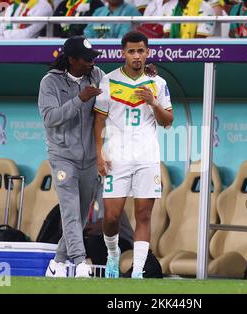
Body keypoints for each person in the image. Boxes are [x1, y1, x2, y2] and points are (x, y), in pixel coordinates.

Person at [94, 31, 173, 279]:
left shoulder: (158, 84)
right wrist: (98, 153)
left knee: (144, 215)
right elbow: (99, 120)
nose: (137, 56)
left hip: (147, 158)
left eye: (141, 51)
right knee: (111, 216)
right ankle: (113, 254)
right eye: (131, 51)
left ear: (147, 52)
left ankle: (138, 270)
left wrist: (154, 103)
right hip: (116, 157)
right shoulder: (108, 81)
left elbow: (168, 121)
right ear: (123, 53)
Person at [38, 35, 104, 278]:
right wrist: (80, 99)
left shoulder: (96, 75)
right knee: (70, 212)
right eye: (86, 59)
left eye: (92, 58)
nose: (91, 63)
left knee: (81, 212)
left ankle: (57, 262)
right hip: (62, 156)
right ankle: (79, 263)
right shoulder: (50, 83)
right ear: (72, 60)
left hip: (89, 159)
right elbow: (51, 119)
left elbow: (113, 94)